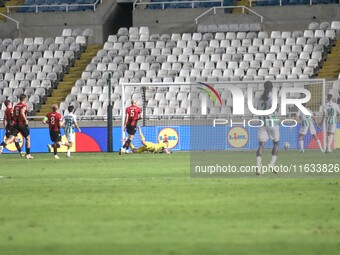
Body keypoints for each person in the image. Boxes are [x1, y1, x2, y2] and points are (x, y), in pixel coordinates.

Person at [255, 81, 279, 175]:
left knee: (261, 145)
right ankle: (272, 165)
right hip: (272, 123)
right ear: (271, 88)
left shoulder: (258, 98)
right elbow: (275, 108)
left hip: (262, 123)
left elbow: (257, 109)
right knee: (276, 144)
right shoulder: (272, 97)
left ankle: (258, 168)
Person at [0, 94, 33, 159]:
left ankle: (1, 146)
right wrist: (25, 120)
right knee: (28, 138)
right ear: (25, 99)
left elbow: (14, 115)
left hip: (15, 124)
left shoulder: (16, 106)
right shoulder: (24, 106)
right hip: (22, 124)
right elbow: (22, 112)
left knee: (11, 138)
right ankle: (28, 154)